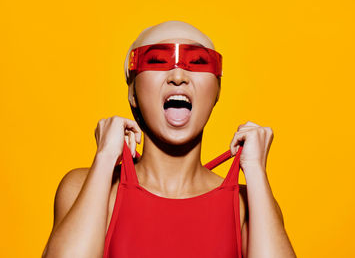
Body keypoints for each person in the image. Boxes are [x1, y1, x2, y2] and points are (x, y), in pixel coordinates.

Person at [42, 20, 296, 258]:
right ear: (132, 93)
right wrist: (105, 158)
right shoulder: (83, 186)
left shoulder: (247, 204)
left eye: (198, 61)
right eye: (157, 60)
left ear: (216, 92)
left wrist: (256, 173)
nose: (178, 76)